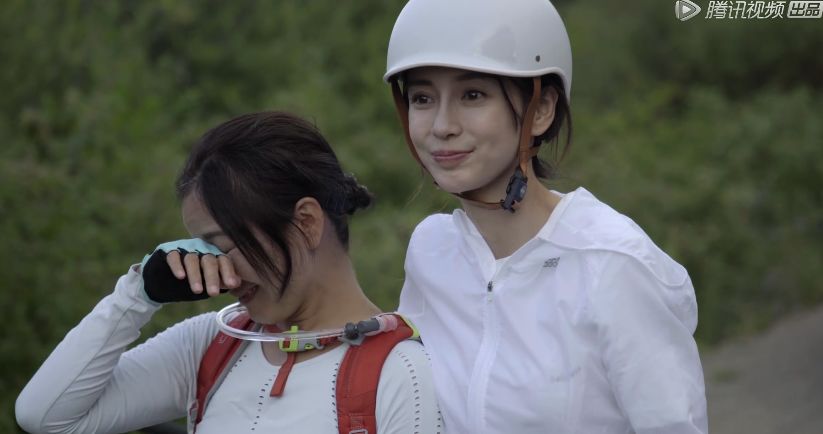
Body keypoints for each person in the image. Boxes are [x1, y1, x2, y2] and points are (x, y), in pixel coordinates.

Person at [383, 0, 708, 433]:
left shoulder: (611, 263)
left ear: (540, 109)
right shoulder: (432, 251)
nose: (442, 125)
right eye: (422, 98)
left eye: (472, 95)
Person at [16, 111, 442, 434]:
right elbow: (46, 416)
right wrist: (139, 292)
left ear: (306, 223)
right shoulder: (215, 344)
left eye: (220, 245)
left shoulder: (401, 372)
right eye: (199, 249)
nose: (218, 270)